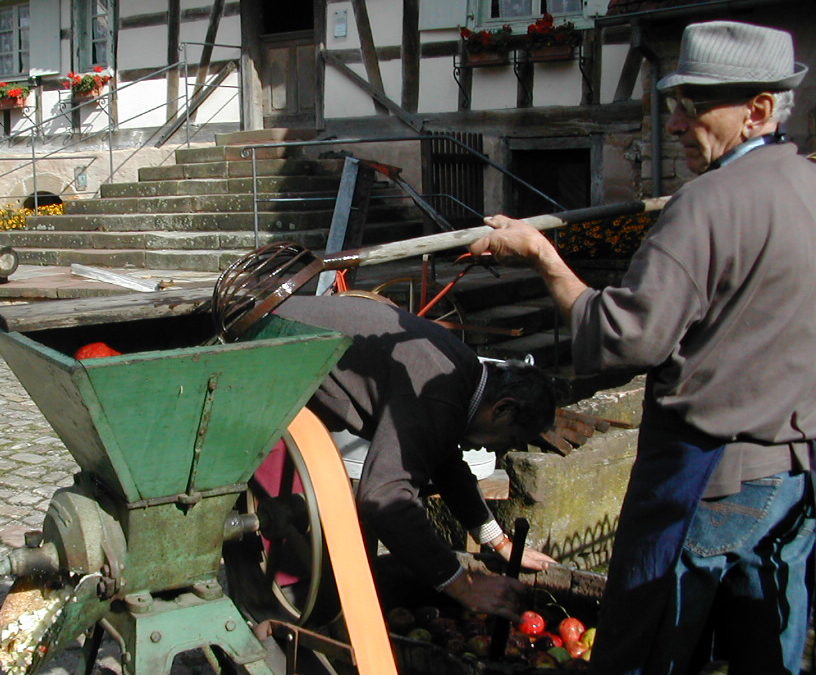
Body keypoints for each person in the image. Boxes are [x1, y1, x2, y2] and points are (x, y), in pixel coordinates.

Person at [467, 20, 816, 674]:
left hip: (705, 479)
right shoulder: (807, 185)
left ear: (759, 110)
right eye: (675, 106)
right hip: (790, 476)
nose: (678, 124)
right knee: (766, 650)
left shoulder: (709, 203)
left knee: (642, 650)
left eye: (694, 107)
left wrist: (541, 254)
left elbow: (626, 336)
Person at [273, 294, 558, 621]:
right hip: (264, 343)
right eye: (510, 440)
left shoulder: (461, 371)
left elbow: (443, 458)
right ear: (502, 408)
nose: (501, 452)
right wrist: (462, 586)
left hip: (286, 324)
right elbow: (383, 497)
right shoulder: (441, 395)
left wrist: (498, 541)